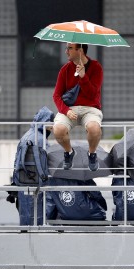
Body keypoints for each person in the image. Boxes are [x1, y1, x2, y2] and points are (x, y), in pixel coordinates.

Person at [52, 42, 104, 172]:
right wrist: (66, 111)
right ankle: (69, 152)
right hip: (70, 109)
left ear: (80, 50)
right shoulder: (65, 69)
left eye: (69, 48)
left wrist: (83, 76)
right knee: (58, 129)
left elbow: (92, 94)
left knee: (94, 128)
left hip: (90, 109)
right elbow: (56, 96)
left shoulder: (96, 67)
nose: (66, 51)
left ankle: (92, 154)